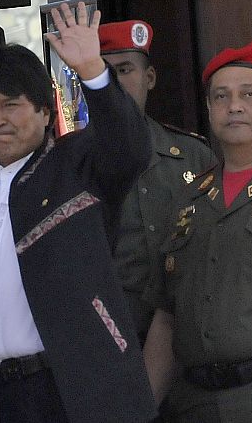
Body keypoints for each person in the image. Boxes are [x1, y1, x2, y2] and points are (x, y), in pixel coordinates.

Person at [0, 2, 156, 423]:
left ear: (44, 111)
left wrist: (92, 71)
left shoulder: (75, 166)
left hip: (72, 392)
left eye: (11, 105)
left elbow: (129, 148)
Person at [143, 41, 252, 421]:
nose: (233, 106)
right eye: (221, 96)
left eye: (249, 94)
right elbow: (167, 317)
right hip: (196, 405)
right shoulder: (189, 197)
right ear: (209, 109)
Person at [100, 20, 215, 343]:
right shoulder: (73, 161)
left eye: (125, 70)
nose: (115, 82)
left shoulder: (193, 155)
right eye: (104, 73)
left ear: (149, 78)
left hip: (185, 331)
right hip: (110, 336)